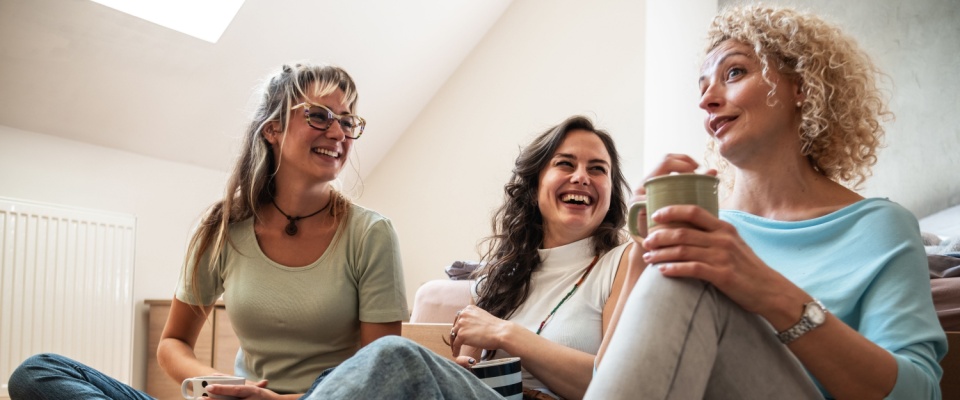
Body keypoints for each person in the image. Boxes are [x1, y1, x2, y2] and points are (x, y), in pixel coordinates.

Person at [586, 5, 947, 400]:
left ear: (801, 86)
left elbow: (918, 392)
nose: (707, 100)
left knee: (688, 274)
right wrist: (645, 250)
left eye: (734, 73)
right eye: (702, 86)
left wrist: (768, 291)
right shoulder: (706, 233)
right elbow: (624, 378)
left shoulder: (881, 227)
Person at [8, 62, 409, 399]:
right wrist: (221, 387)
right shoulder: (225, 228)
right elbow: (173, 343)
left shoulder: (370, 234)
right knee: (37, 372)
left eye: (347, 121)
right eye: (319, 116)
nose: (338, 133)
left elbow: (376, 379)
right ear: (272, 129)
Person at [228, 115, 631, 400]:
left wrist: (505, 334)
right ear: (535, 183)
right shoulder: (505, 276)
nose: (582, 176)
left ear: (610, 191)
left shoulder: (624, 261)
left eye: (598, 170)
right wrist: (467, 361)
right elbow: (463, 374)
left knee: (394, 355)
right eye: (565, 164)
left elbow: (617, 387)